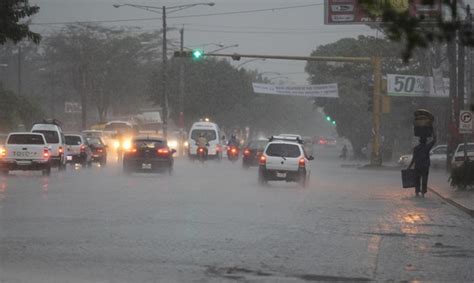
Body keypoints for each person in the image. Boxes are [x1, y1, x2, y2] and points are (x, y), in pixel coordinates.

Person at [408, 133, 437, 197]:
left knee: (417, 179)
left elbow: (413, 158)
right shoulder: (427, 147)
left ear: (419, 141)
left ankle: (417, 192)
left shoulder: (416, 148)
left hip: (418, 166)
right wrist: (434, 134)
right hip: (425, 166)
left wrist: (409, 167)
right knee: (424, 179)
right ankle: (423, 192)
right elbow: (434, 141)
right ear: (426, 141)